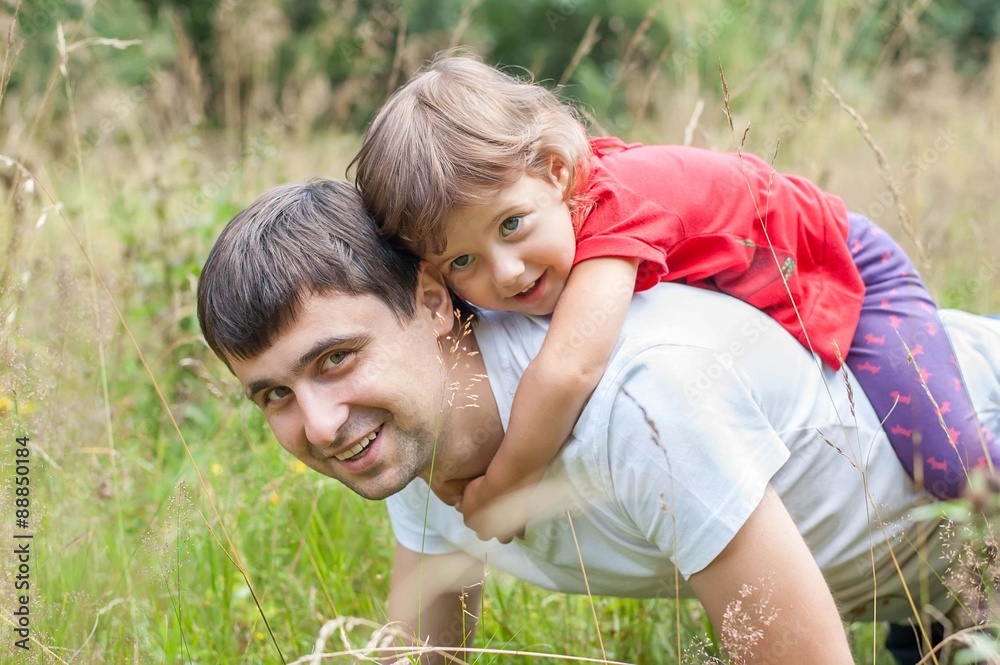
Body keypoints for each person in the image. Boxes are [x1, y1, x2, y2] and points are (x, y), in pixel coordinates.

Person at [197, 178, 1000, 664]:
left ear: (434, 305)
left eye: (335, 358)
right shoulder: (409, 427)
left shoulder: (643, 402)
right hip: (933, 587)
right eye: (273, 394)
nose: (322, 422)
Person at [350, 54, 995, 538]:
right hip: (773, 298)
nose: (510, 273)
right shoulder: (533, 218)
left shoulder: (613, 206)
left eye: (512, 226)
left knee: (946, 463)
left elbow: (570, 367)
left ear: (555, 171)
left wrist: (505, 486)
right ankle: (935, 624)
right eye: (463, 261)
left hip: (852, 267)